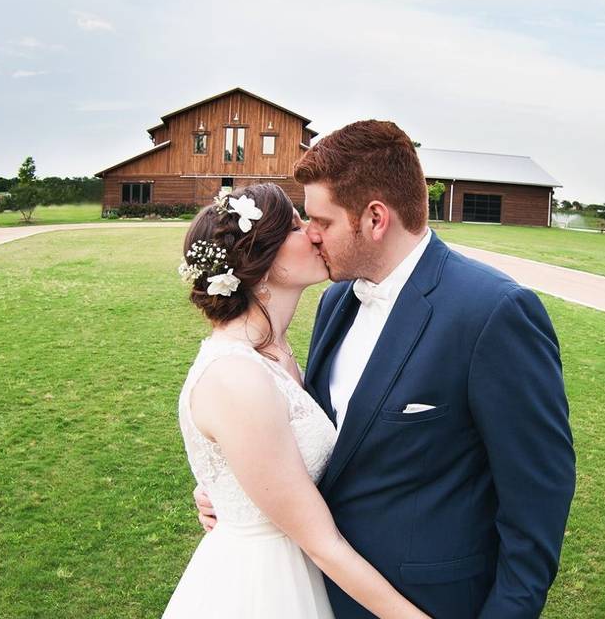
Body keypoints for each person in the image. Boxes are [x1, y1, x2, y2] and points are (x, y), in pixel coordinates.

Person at [196, 120, 577, 618]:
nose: (311, 235)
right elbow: (326, 440)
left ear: (375, 219)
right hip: (316, 590)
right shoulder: (336, 300)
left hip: (431, 601)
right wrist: (236, 487)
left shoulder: (494, 313)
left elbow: (538, 500)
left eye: (322, 222)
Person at [165, 182, 428, 618]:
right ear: (261, 262)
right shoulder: (236, 375)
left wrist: (226, 489)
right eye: (293, 226)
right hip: (261, 588)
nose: (313, 232)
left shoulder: (276, 352)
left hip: (300, 571)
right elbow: (322, 542)